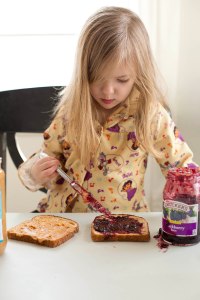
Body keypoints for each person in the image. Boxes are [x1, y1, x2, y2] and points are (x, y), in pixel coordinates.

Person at [18, 6, 197, 213]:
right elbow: (45, 157)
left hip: (123, 225)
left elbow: (181, 165)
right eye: (96, 79)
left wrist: (188, 195)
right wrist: (36, 173)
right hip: (64, 221)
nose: (108, 91)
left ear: (139, 73)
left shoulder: (150, 115)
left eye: (122, 80)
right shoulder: (71, 112)